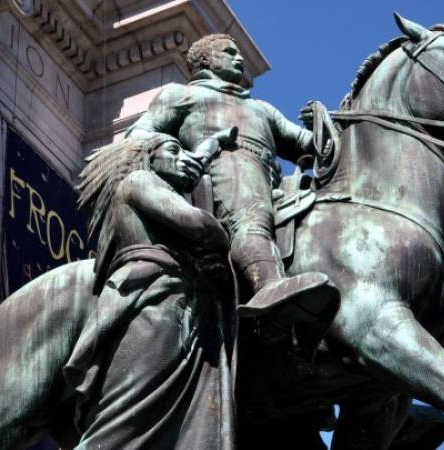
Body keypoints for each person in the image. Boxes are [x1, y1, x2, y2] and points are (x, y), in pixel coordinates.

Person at [127, 34, 337, 334]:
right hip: (222, 170)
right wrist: (176, 154)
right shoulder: (181, 95)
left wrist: (322, 121)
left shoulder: (261, 108)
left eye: (238, 54)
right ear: (204, 60)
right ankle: (269, 286)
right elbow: (139, 134)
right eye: (229, 52)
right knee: (250, 215)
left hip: (269, 180)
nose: (239, 59)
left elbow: (306, 144)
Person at [64, 131, 238, 450]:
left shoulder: (162, 186)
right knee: (127, 422)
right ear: (148, 157)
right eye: (173, 151)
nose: (183, 159)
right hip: (154, 303)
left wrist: (214, 144)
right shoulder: (139, 180)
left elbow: (194, 169)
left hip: (178, 305)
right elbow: (197, 223)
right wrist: (221, 232)